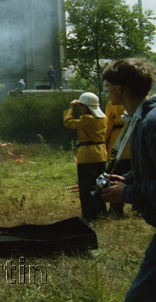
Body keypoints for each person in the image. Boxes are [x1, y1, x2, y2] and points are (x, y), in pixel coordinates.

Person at [100, 58, 156, 301]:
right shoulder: (143, 117)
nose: (106, 90)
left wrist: (126, 193)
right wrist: (128, 178)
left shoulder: (152, 123)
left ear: (120, 88)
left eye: (108, 85)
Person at [63, 92, 107, 221]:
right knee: (100, 184)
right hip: (101, 154)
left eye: (82, 106)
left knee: (86, 187)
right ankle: (101, 211)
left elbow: (68, 122)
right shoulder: (103, 118)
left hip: (88, 155)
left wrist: (71, 108)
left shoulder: (87, 119)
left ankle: (90, 215)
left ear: (86, 107)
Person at [103, 101, 131, 216]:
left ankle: (116, 208)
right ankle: (139, 207)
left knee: (116, 176)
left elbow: (108, 125)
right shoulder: (140, 100)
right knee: (137, 176)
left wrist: (104, 142)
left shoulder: (113, 103)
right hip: (133, 143)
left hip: (118, 142)